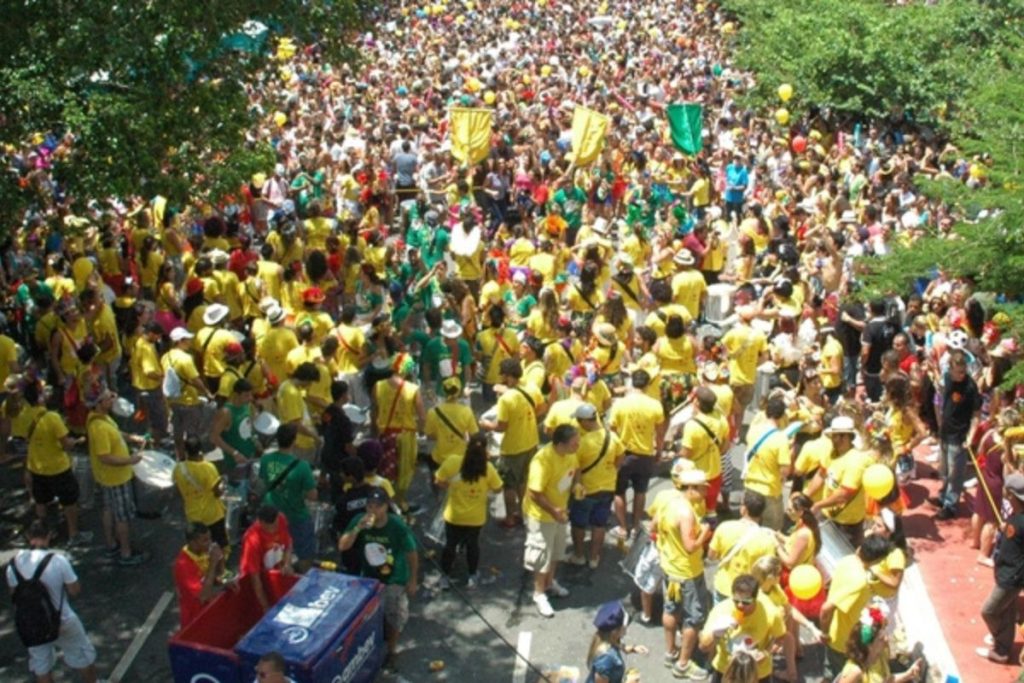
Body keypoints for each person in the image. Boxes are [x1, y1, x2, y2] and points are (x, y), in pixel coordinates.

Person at [6, 520, 100, 683]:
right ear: (49, 536)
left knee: (41, 665)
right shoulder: (57, 560)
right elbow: (74, 590)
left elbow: (14, 595)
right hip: (62, 619)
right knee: (83, 655)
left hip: (32, 623)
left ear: (28, 537)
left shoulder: (13, 565)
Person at [338, 487, 418, 672]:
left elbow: (411, 552)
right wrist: (358, 528)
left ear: (385, 507)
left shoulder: (396, 525)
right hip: (369, 575)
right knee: (369, 614)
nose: (373, 510)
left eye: (378, 506)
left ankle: (391, 651)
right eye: (370, 506)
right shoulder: (359, 521)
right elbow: (343, 546)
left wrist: (412, 579)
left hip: (394, 577)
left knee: (394, 615)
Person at [655, 467, 712, 680]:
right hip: (687, 571)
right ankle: (683, 663)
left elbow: (654, 525)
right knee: (694, 617)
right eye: (702, 489)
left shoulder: (667, 501)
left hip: (670, 567)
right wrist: (704, 534)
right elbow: (690, 546)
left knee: (670, 610)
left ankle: (670, 652)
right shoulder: (686, 512)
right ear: (691, 488)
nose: (706, 492)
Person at [86, 388, 149, 566]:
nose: (112, 400)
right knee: (122, 516)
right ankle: (126, 553)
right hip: (116, 478)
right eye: (108, 398)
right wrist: (131, 460)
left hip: (109, 478)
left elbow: (116, 433)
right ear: (99, 403)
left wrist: (132, 438)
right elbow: (104, 456)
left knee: (109, 510)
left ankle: (111, 544)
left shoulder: (101, 418)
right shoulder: (99, 427)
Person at [21, 380, 89, 545]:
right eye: (43, 391)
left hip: (36, 467)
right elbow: (66, 444)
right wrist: (78, 440)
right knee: (69, 501)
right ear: (39, 398)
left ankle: (43, 532)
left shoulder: (24, 415)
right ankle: (73, 534)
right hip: (58, 467)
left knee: (41, 501)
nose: (46, 393)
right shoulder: (52, 417)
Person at [523, 424, 580, 618]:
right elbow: (534, 493)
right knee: (542, 556)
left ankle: (549, 582)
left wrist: (577, 485)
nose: (578, 446)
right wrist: (553, 510)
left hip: (560, 513)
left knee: (556, 552)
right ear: (561, 444)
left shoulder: (570, 455)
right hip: (542, 516)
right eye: (575, 443)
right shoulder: (543, 460)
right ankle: (539, 593)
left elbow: (576, 469)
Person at [434, 432, 503, 589]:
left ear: (467, 445)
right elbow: (498, 489)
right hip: (475, 518)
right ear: (486, 449)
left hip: (454, 515)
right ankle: (472, 576)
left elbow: (438, 480)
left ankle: (444, 577)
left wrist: (450, 487)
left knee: (450, 544)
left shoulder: (453, 462)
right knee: (473, 545)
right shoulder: (488, 468)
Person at [480, 358, 543, 528]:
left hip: (512, 448)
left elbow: (501, 427)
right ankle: (524, 513)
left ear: (507, 376)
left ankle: (510, 517)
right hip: (531, 442)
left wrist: (486, 425)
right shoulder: (531, 388)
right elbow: (541, 407)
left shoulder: (506, 399)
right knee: (523, 481)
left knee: (508, 484)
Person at [820, 534, 894, 678]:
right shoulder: (859, 581)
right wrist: (824, 633)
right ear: (877, 560)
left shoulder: (847, 561)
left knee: (830, 675)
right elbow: (826, 608)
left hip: (836, 638)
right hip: (844, 643)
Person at [608, 369, 666, 540]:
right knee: (641, 491)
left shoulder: (620, 404)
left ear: (631, 382)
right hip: (645, 454)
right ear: (648, 385)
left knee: (619, 492)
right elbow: (660, 433)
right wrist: (659, 451)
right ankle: (635, 526)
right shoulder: (655, 405)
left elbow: (611, 429)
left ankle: (622, 528)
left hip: (623, 454)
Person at [568, 403, 625, 569]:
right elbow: (620, 456)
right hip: (607, 488)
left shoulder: (583, 442)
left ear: (585, 421)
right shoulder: (612, 437)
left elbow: (575, 467)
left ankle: (578, 555)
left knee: (578, 524)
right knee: (599, 525)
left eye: (579, 420)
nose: (578, 423)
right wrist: (613, 469)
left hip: (585, 490)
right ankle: (594, 558)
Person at [699, 574, 786, 683]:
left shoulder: (771, 613)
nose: (740, 605)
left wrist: (765, 653)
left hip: (758, 673)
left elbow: (780, 638)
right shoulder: (721, 611)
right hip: (726, 670)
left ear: (755, 598)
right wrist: (715, 633)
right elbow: (703, 647)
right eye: (736, 600)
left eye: (746, 602)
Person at [977, 471, 1024, 664]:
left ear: (1012, 496)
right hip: (1007, 572)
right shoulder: (1017, 517)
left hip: (1011, 577)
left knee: (989, 610)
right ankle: (1003, 643)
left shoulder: (1020, 521)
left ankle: (1001, 643)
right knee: (1007, 610)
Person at [258, 424, 317, 569]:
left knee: (272, 554)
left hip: (273, 516)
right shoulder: (302, 466)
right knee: (304, 555)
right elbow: (313, 496)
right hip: (295, 516)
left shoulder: (266, 460)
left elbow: (262, 482)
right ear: (294, 441)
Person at [931, 349, 981, 520]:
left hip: (959, 436)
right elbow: (941, 399)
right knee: (944, 469)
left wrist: (970, 436)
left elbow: (976, 414)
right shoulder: (947, 379)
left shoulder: (970, 387)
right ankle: (943, 496)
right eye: (958, 371)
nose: (961, 374)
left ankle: (951, 505)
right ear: (951, 369)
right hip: (945, 432)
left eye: (963, 371)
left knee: (955, 473)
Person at [809, 416, 872, 548]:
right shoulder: (831, 453)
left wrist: (818, 505)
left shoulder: (856, 461)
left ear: (846, 437)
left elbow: (844, 495)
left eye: (836, 436)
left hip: (847, 525)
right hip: (827, 516)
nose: (833, 440)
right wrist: (806, 495)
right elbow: (820, 475)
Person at [707, 490, 776, 603]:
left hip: (723, 587)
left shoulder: (725, 527)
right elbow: (767, 572)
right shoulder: (767, 540)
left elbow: (711, 556)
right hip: (747, 592)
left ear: (744, 509)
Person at [835, 600, 923, 683]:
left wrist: (908, 674)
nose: (886, 639)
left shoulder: (879, 658)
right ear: (869, 645)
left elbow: (887, 680)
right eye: (880, 639)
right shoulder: (855, 672)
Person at [741, 396, 792, 530]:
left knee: (749, 527)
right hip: (770, 492)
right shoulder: (781, 439)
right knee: (771, 530)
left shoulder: (753, 430)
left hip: (750, 487)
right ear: (782, 416)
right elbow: (784, 470)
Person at [173, 435, 228, 553]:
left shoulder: (178, 468)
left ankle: (201, 568)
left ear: (186, 451)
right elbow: (217, 493)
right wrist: (222, 488)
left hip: (193, 515)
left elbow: (177, 487)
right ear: (200, 451)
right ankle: (220, 569)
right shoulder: (208, 467)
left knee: (199, 548)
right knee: (218, 546)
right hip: (212, 515)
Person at [173, 522, 234, 628]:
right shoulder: (183, 565)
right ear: (193, 543)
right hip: (195, 619)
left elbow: (219, 574)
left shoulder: (204, 552)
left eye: (210, 538)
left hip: (211, 612)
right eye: (205, 540)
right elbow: (203, 596)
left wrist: (225, 578)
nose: (210, 543)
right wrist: (213, 562)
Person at [210, 378, 260, 498]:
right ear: (236, 394)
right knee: (236, 496)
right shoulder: (226, 412)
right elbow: (214, 437)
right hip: (234, 463)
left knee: (249, 490)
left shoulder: (248, 407)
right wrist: (234, 453)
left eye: (251, 395)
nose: (250, 398)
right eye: (246, 395)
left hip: (249, 457)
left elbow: (249, 427)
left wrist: (256, 441)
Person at [239, 505, 293, 613]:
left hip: (276, 573)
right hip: (256, 581)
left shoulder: (281, 519)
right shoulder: (252, 540)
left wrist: (287, 563)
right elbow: (255, 578)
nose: (273, 530)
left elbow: (288, 544)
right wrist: (265, 607)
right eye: (270, 528)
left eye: (275, 526)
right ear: (261, 522)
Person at [585, 601, 648, 683]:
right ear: (614, 632)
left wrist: (633, 648)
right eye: (625, 625)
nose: (627, 627)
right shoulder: (606, 660)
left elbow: (617, 645)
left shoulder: (608, 639)